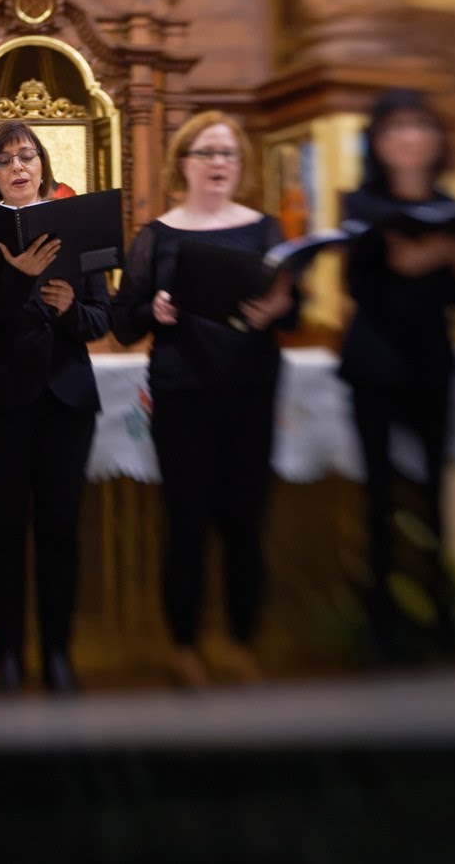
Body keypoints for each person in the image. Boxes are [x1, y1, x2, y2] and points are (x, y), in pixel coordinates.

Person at [112, 111, 295, 689]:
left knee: (245, 523)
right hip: (183, 393)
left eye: (229, 154)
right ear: (183, 164)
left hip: (249, 392)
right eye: (207, 153)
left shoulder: (266, 232)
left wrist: (276, 311)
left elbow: (293, 306)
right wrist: (154, 312)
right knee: (185, 523)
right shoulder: (157, 236)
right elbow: (122, 323)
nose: (219, 163)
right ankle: (185, 645)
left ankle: (243, 640)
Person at [0, 121, 111, 693]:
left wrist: (72, 308)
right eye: (3, 160)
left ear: (43, 164)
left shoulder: (79, 226)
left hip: (65, 398)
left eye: (26, 156)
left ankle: (56, 654)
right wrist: (18, 281)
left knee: (60, 529)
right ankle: (5, 656)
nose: (18, 167)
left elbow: (104, 318)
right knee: (1, 530)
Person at [338, 89, 455, 660]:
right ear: (378, 143)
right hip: (374, 357)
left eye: (420, 126)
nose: (409, 138)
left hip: (432, 357)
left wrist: (447, 259)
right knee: (380, 491)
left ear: (436, 139)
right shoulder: (362, 204)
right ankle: (381, 613)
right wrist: (418, 260)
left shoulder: (453, 206)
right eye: (395, 129)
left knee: (438, 486)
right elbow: (359, 286)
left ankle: (441, 607)